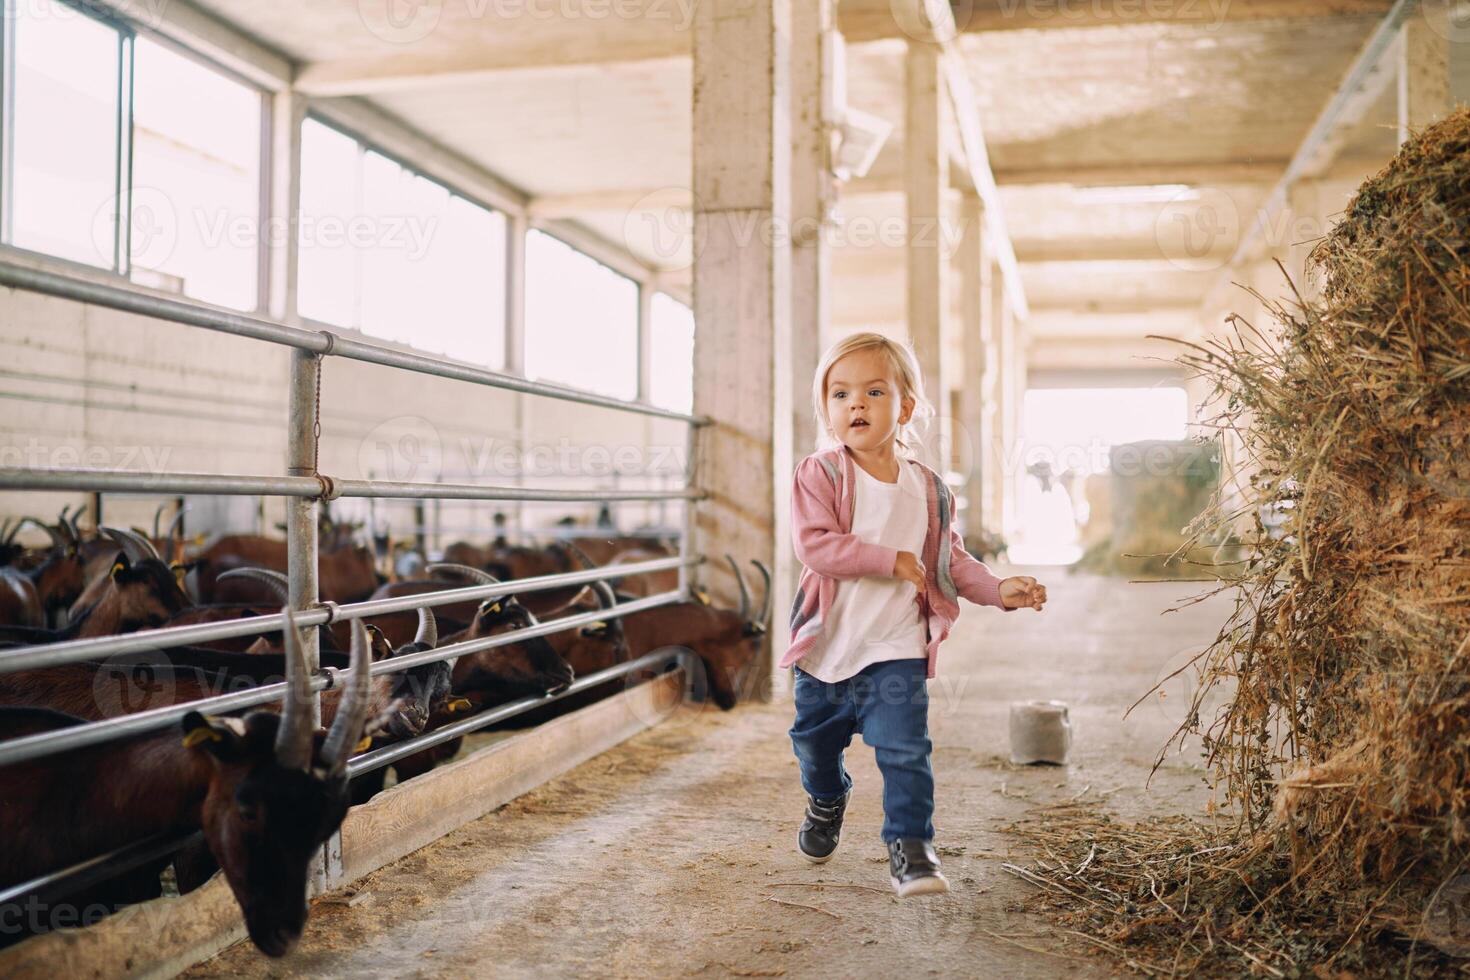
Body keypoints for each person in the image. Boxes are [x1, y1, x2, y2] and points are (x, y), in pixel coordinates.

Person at [784, 332, 1048, 897]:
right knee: (813, 745)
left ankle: (912, 850)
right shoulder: (821, 474)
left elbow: (948, 560)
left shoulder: (928, 488)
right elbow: (815, 546)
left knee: (906, 750)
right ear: (826, 409)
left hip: (895, 649)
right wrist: (888, 559)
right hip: (827, 650)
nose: (856, 404)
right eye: (840, 394)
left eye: (874, 391)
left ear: (904, 407)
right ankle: (827, 797)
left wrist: (1000, 589)